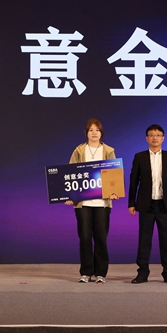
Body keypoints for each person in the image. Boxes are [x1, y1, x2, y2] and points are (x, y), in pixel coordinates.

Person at [128, 124, 167, 284]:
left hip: (165, 205)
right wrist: (131, 203)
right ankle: (142, 273)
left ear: (163, 138)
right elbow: (133, 181)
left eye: (158, 135)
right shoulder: (140, 157)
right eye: (151, 135)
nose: (155, 138)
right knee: (144, 240)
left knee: (166, 241)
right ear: (147, 138)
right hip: (146, 205)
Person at [66, 118, 117, 284]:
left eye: (97, 130)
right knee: (85, 237)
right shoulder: (79, 151)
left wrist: (114, 191)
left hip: (102, 202)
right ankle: (86, 272)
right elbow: (70, 173)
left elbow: (114, 173)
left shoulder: (108, 150)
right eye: (91, 130)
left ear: (101, 133)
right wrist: (69, 195)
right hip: (83, 203)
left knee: (101, 237)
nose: (94, 133)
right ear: (86, 133)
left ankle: (101, 272)